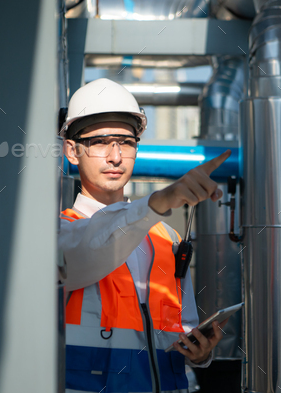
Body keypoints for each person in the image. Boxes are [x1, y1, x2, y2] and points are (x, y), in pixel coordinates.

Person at [58, 78, 231, 393]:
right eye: (100, 142)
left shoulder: (167, 236)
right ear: (72, 151)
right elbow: (94, 245)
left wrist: (200, 353)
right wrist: (159, 201)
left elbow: (183, 328)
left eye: (126, 142)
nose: (115, 156)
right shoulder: (58, 231)